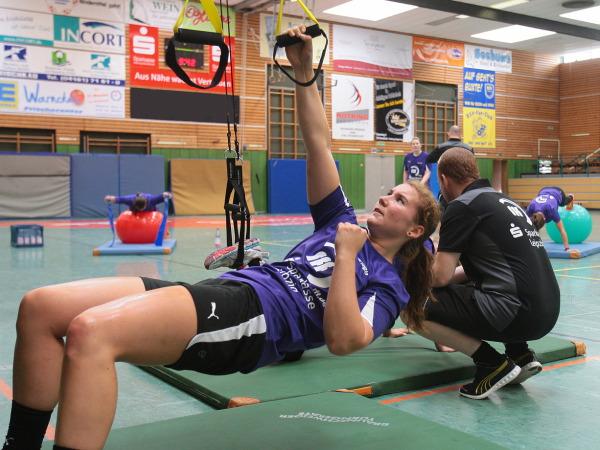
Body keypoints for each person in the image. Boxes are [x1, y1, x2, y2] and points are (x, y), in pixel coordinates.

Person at [2, 27, 441, 450]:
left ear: (414, 230)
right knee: (40, 308)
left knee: (91, 333)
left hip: (253, 321)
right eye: (389, 191)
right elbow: (318, 143)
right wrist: (305, 74)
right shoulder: (339, 219)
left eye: (400, 200)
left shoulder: (386, 285)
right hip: (228, 292)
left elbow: (346, 341)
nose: (386, 197)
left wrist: (347, 257)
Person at [390, 147, 560, 400]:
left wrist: (408, 279)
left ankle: (491, 363)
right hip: (547, 311)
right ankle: (519, 354)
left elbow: (441, 277)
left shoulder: (461, 207)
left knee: (413, 305)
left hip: (517, 314)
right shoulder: (505, 201)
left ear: (444, 180)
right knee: (485, 286)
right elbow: (479, 271)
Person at [526, 187, 575, 251]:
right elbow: (526, 228)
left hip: (557, 192)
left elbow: (562, 230)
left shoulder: (551, 211)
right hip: (543, 190)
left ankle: (570, 197)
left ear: (545, 219)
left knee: (563, 203)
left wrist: (567, 248)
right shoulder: (530, 207)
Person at [104, 192, 172, 212]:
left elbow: (163, 195)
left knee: (159, 213)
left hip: (151, 211)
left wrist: (167, 194)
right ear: (135, 204)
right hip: (134, 212)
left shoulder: (151, 200)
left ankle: (164, 231)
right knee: (127, 211)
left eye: (142, 208)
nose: (141, 210)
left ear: (145, 203)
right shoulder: (130, 200)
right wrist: (109, 198)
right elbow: (118, 199)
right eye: (139, 209)